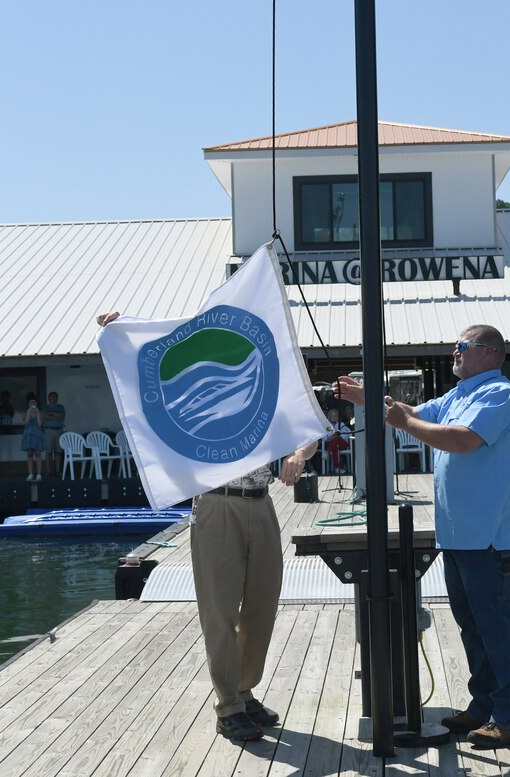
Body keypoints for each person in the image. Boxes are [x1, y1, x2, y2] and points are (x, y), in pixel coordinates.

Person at [97, 308, 320, 743]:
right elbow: (163, 355)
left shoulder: (267, 387)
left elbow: (307, 432)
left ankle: (243, 688)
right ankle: (228, 705)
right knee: (220, 608)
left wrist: (297, 456)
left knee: (262, 604)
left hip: (261, 503)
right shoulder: (201, 386)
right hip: (216, 504)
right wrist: (122, 329)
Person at [335, 324, 510, 749]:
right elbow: (416, 412)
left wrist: (402, 419)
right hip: (461, 537)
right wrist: (368, 399)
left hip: (490, 540)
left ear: (489, 352)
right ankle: (483, 708)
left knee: (497, 628)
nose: (453, 353)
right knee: (473, 628)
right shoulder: (460, 395)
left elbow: (462, 441)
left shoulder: (498, 395)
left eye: (461, 347)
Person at [41, 391, 66, 477]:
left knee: (58, 451)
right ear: (49, 398)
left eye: (55, 397)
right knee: (49, 452)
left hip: (59, 430)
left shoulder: (60, 407)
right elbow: (44, 416)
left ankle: (58, 471)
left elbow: (62, 415)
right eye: (52, 397)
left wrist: (52, 414)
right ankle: (48, 471)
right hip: (49, 430)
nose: (54, 399)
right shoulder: (45, 407)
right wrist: (55, 416)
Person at [21, 395, 45, 481]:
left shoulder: (40, 413)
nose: (33, 404)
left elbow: (39, 424)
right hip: (28, 434)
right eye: (31, 403)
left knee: (38, 453)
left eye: (34, 403)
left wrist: (37, 413)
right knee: (29, 454)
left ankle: (39, 473)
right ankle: (30, 473)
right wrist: (29, 410)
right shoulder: (25, 413)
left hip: (37, 434)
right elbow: (26, 422)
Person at [321, 407, 351, 471]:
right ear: (329, 416)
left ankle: (327, 452)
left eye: (336, 416)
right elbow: (324, 437)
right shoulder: (326, 426)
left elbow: (346, 435)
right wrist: (329, 437)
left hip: (341, 443)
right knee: (335, 447)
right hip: (331, 444)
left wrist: (337, 436)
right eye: (333, 416)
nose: (335, 417)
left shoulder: (342, 424)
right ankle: (337, 468)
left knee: (336, 439)